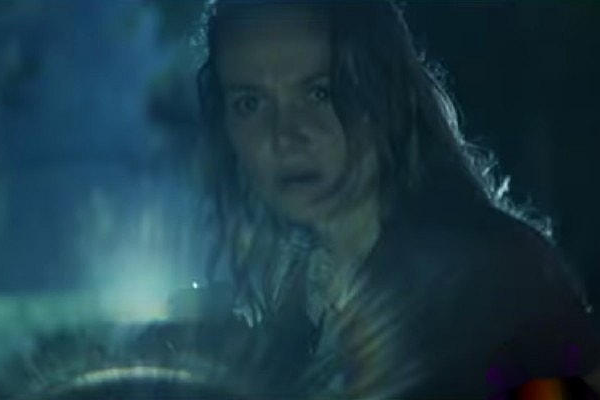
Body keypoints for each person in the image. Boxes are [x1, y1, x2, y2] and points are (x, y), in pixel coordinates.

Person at [189, 0, 600, 398]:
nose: (285, 135)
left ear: (381, 92)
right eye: (250, 103)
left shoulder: (493, 280)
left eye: (320, 92)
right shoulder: (297, 299)